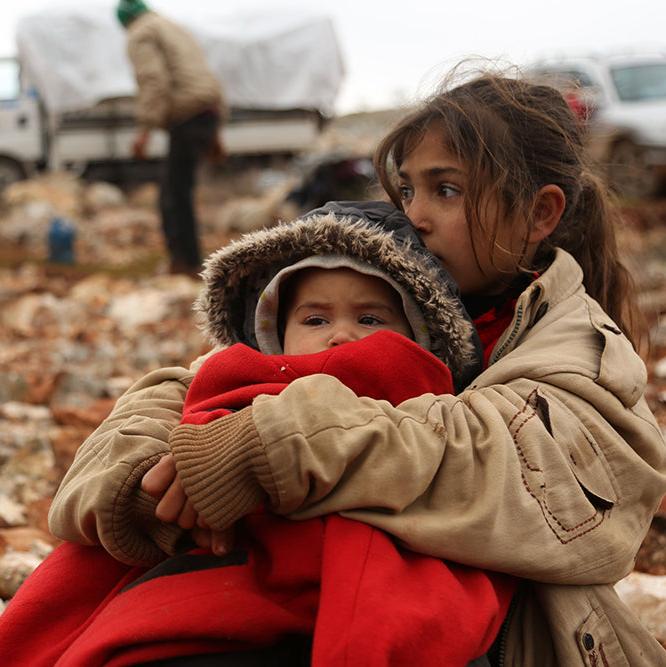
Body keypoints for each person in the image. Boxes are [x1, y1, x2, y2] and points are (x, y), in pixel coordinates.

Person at [39, 70, 666, 664]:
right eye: (409, 189)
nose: (416, 216)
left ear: (539, 214)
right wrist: (144, 485)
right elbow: (194, 388)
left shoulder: (580, 351)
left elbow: (499, 467)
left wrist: (273, 444)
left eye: (446, 190)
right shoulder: (394, 291)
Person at [0, 205, 512, 666]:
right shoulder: (213, 379)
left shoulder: (435, 412)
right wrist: (147, 494)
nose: (341, 335)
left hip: (327, 602)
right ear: (273, 332)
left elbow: (442, 465)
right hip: (204, 594)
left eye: (371, 318)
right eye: (315, 317)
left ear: (418, 337)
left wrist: (267, 448)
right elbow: (103, 463)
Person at [116, 0, 226, 276]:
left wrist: (144, 129)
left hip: (186, 115)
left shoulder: (140, 33)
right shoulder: (174, 28)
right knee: (181, 189)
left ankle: (185, 263)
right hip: (207, 110)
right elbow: (206, 79)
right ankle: (189, 259)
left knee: (173, 195)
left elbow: (154, 80)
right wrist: (217, 131)